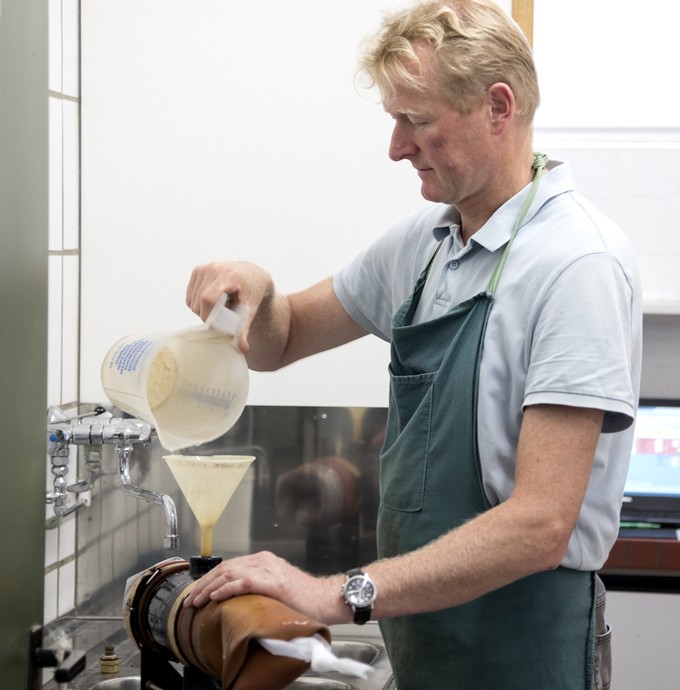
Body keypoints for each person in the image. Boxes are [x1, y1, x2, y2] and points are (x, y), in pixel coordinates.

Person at [183, 1, 642, 688]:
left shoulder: (576, 264)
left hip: (523, 647)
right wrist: (259, 287)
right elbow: (282, 340)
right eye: (395, 120)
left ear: (498, 106)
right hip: (423, 637)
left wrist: (337, 594)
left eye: (416, 121)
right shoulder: (423, 246)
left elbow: (541, 524)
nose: (396, 147)